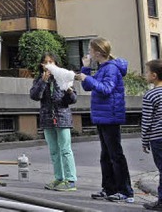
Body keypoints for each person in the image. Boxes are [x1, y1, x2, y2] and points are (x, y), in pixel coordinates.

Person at [74, 37, 133, 202]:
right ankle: (109, 188)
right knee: (105, 155)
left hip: (110, 116)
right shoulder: (102, 68)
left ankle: (125, 191)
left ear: (98, 52)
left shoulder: (112, 69)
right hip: (102, 116)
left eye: (90, 49)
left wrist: (88, 78)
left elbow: (106, 89)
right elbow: (88, 87)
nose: (88, 52)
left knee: (115, 155)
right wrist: (85, 70)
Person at [30, 52, 77, 191]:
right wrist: (43, 81)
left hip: (62, 116)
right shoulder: (39, 79)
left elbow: (73, 99)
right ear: (42, 65)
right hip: (47, 118)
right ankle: (59, 178)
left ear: (56, 64)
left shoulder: (62, 76)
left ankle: (70, 180)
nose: (48, 65)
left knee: (65, 149)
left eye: (51, 62)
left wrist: (69, 91)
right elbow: (34, 96)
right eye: (46, 62)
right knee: (54, 151)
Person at [142, 59, 162, 210]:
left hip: (158, 138)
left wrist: (145, 140)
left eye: (147, 72)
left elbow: (147, 120)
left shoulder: (150, 95)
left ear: (154, 75)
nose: (145, 74)